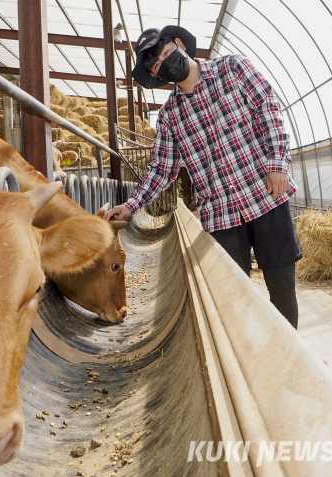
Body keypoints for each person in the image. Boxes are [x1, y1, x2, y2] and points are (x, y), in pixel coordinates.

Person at [103, 25, 302, 328]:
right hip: (222, 214)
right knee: (235, 293)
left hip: (264, 195)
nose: (163, 64)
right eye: (156, 66)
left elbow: (268, 106)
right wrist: (131, 205)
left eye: (165, 53)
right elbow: (161, 169)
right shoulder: (171, 115)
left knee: (283, 285)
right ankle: (247, 361)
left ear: (180, 43)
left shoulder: (232, 68)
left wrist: (278, 164)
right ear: (157, 77)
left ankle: (289, 358)